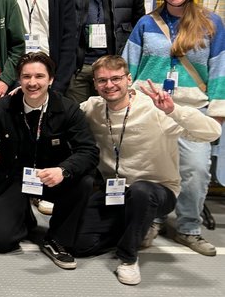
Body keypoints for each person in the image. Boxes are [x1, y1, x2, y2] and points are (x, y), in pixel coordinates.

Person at [75, 56, 221, 284]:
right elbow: (62, 113)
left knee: (142, 192)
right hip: (117, 191)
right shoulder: (92, 108)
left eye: (116, 78)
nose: (109, 85)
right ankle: (136, 227)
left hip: (158, 191)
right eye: (102, 80)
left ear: (129, 79)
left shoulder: (156, 108)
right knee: (80, 245)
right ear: (94, 83)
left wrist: (174, 111)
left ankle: (128, 258)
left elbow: (213, 132)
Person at [123, 0, 225, 257]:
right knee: (152, 171)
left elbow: (220, 69)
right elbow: (129, 66)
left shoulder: (211, 23)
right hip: (150, 108)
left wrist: (217, 114)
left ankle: (188, 227)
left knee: (194, 169)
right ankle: (152, 221)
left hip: (192, 108)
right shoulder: (146, 23)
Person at [0, 52, 98, 268]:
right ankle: (22, 217)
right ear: (19, 79)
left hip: (51, 178)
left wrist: (63, 170)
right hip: (14, 178)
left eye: (39, 76)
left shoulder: (68, 110)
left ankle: (58, 240)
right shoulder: (1, 108)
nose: (32, 83)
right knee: (2, 241)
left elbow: (88, 151)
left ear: (51, 79)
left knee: (84, 180)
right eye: (26, 77)